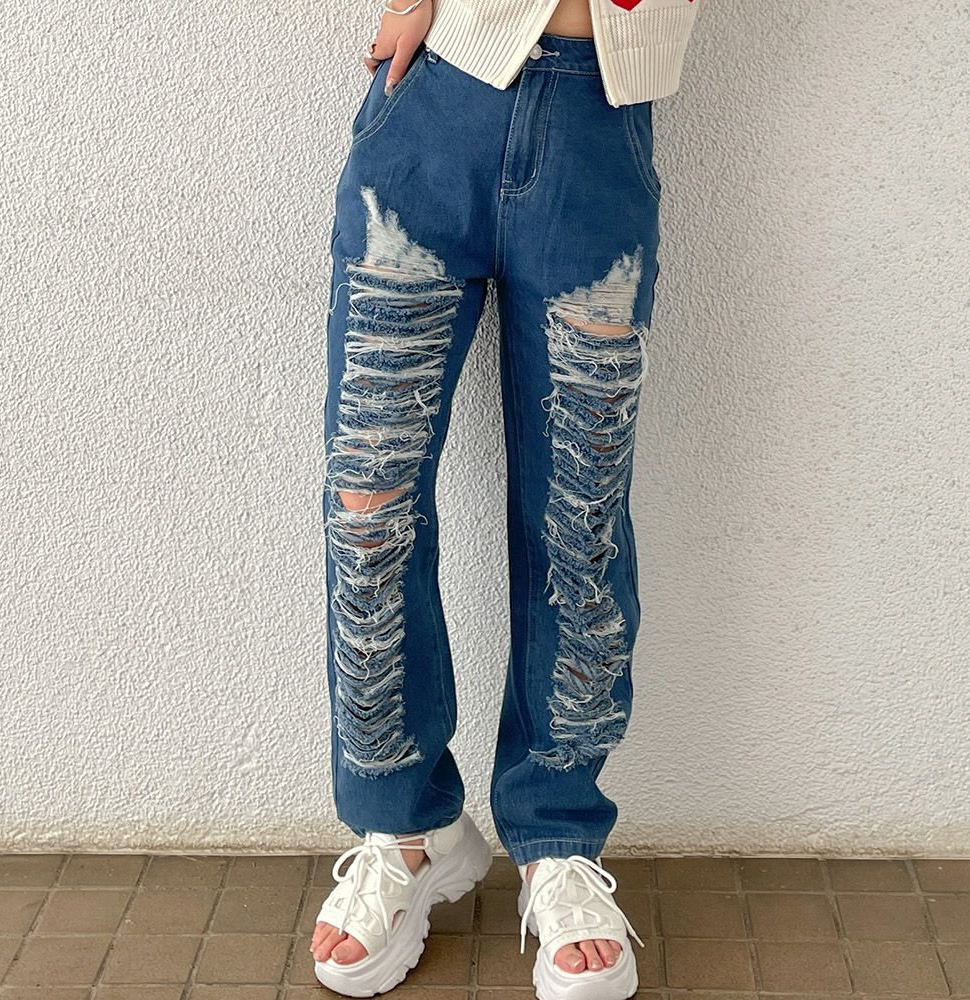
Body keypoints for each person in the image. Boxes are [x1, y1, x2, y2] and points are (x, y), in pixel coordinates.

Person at [311, 0, 700, 995]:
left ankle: (557, 835)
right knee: (368, 507)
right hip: (435, 100)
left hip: (601, 113)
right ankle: (405, 829)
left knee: (580, 518)